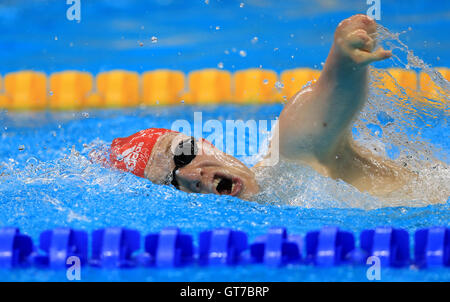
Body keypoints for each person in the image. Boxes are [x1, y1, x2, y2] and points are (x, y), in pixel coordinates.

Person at [106, 14, 413, 201]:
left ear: (207, 143)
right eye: (171, 183)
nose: (190, 176)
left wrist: (344, 59)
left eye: (183, 152)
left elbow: (328, 101)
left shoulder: (290, 158)